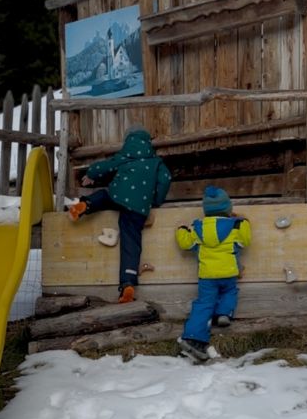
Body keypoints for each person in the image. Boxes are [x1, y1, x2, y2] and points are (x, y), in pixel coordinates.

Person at [68, 124, 172, 303]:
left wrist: (91, 174)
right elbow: (165, 179)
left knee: (104, 195)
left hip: (118, 195)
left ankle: (85, 206)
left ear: (128, 141)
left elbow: (104, 167)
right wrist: (155, 201)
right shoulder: (156, 162)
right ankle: (127, 285)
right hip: (139, 207)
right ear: (147, 143)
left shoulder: (124, 155)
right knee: (130, 243)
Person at [176, 185, 251, 362]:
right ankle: (224, 314)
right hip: (229, 273)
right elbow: (245, 240)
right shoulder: (235, 227)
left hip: (207, 276)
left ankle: (193, 335)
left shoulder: (197, 228)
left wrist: (181, 230)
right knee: (230, 292)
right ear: (228, 208)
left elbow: (185, 244)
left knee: (204, 304)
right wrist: (244, 220)